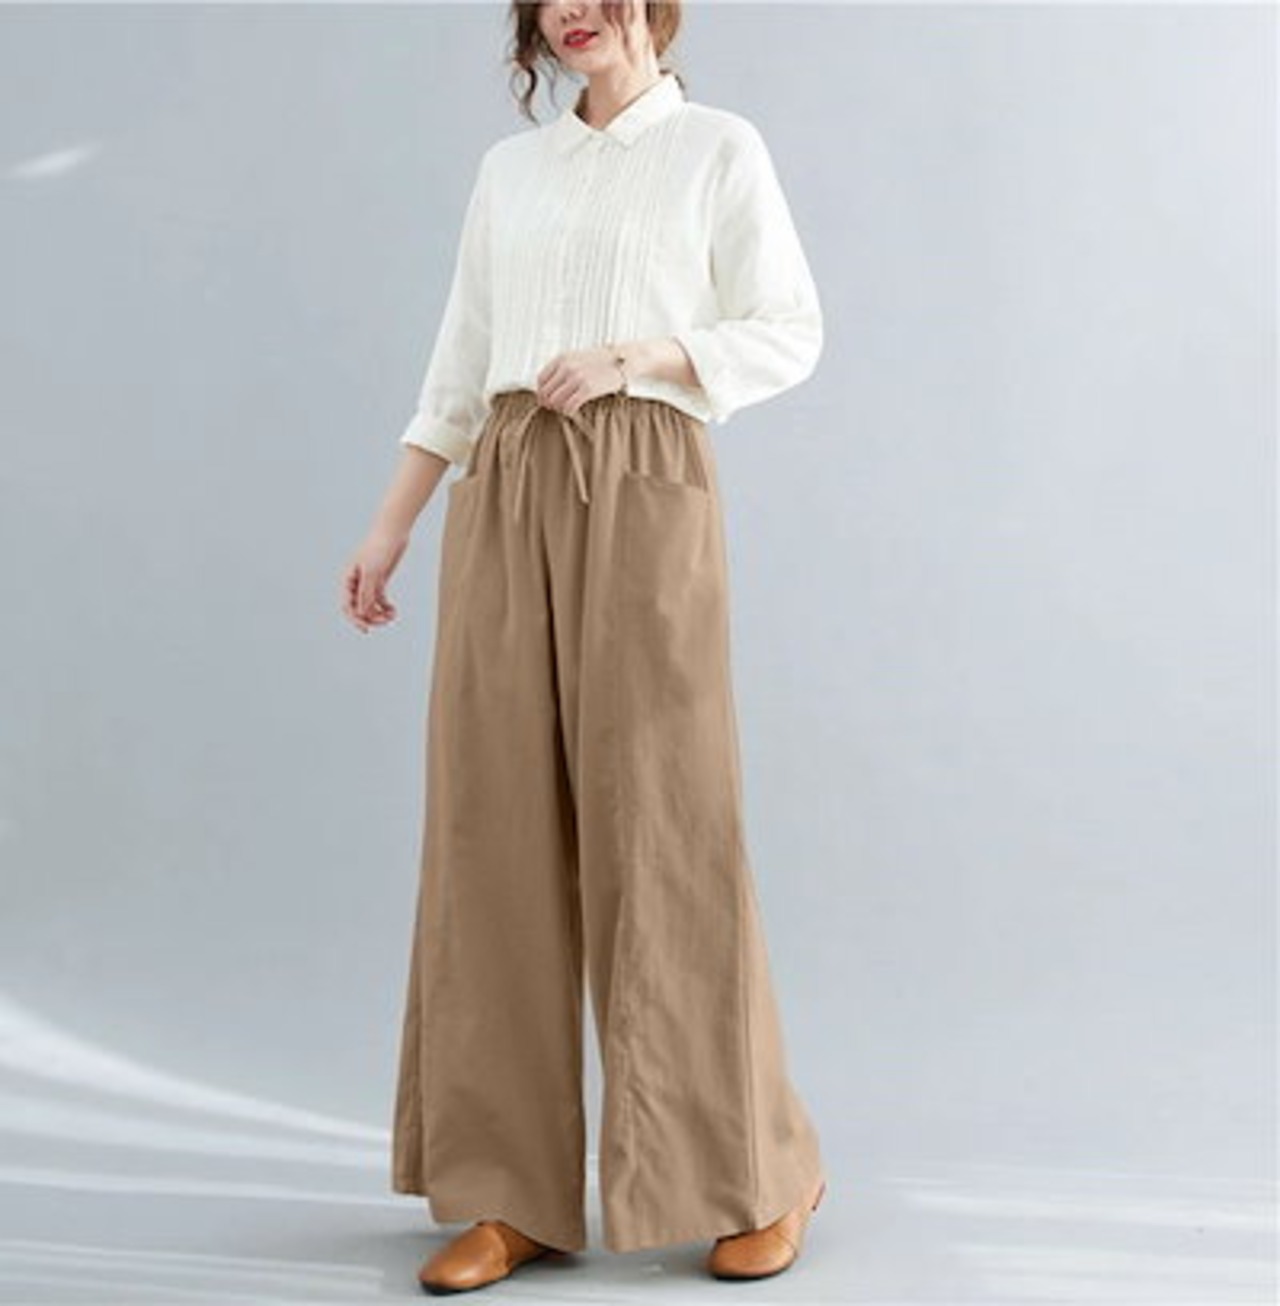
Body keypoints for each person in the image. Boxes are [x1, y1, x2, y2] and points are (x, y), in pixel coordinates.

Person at [342, 0, 828, 1293]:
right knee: (490, 827)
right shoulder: (513, 170)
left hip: (646, 468)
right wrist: (391, 527)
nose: (572, 9)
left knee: (664, 823)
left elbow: (787, 326)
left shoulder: (718, 148)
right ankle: (509, 1189)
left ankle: (757, 1169)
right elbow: (458, 366)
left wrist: (639, 354)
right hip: (505, 480)